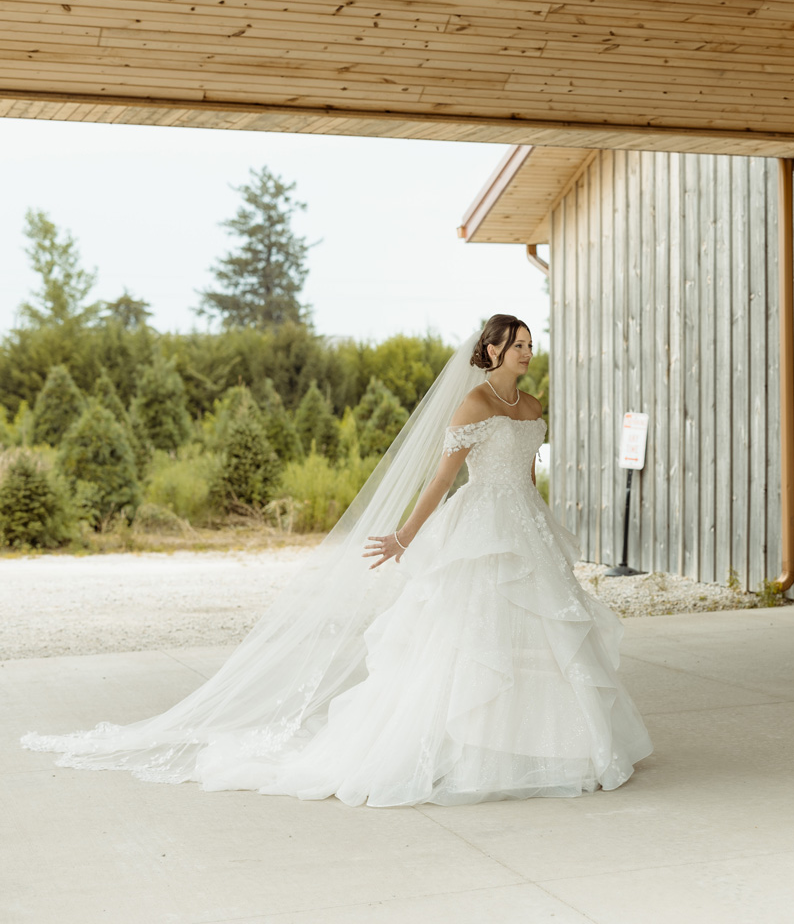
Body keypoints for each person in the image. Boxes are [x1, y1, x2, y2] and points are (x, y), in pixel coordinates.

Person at [23, 314, 653, 807]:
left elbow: (529, 468)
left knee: (547, 637)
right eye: (516, 343)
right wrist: (405, 537)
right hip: (482, 526)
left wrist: (535, 515)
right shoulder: (473, 405)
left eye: (528, 342)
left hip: (526, 524)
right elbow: (440, 481)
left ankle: (551, 748)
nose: (526, 350)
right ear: (490, 351)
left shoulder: (533, 405)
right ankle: (455, 749)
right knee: (467, 637)